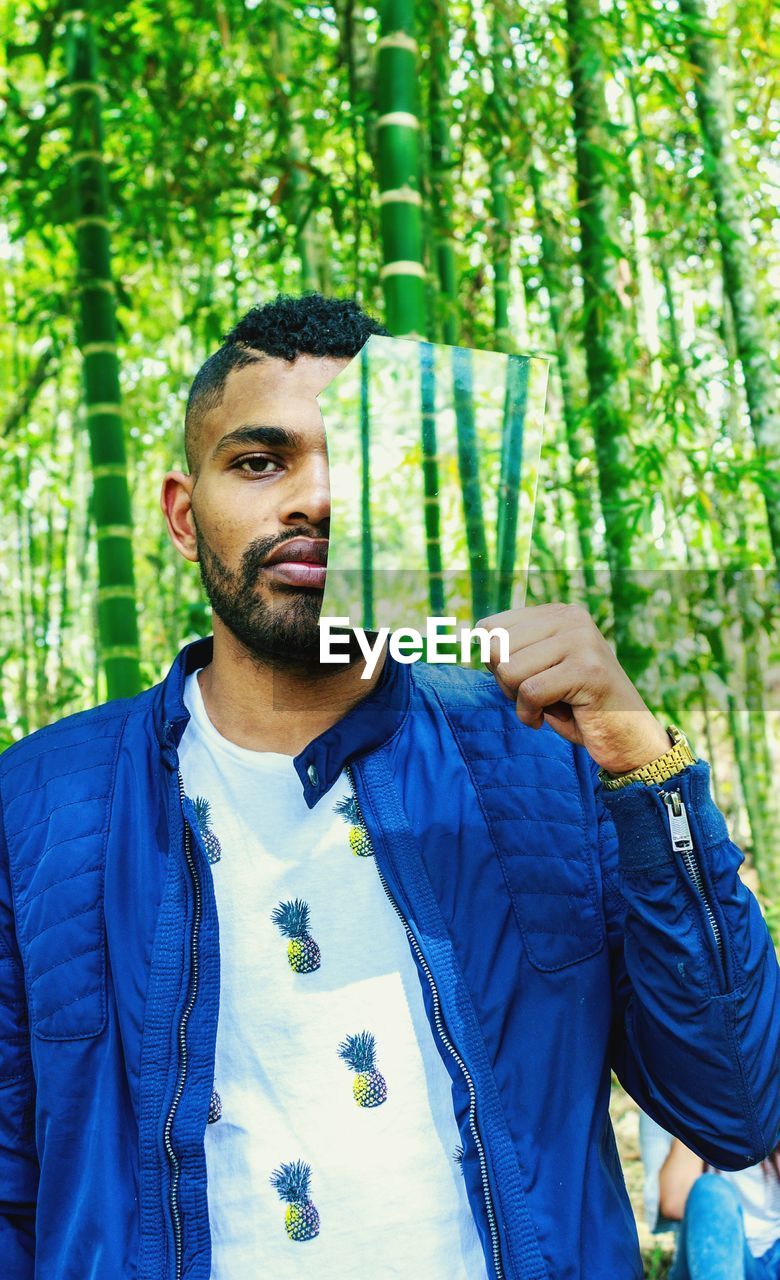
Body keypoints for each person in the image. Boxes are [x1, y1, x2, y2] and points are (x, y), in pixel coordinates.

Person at [0, 293, 777, 1280]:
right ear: (184, 517)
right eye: (260, 460)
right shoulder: (38, 807)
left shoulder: (543, 762)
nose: (313, 497)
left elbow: (742, 1100)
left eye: (353, 458)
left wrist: (640, 761)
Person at [640, 1112, 780, 1278]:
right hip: (709, 1261)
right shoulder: (659, 1096)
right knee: (711, 1191)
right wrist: (698, 1110)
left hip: (774, 1249)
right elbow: (674, 1204)